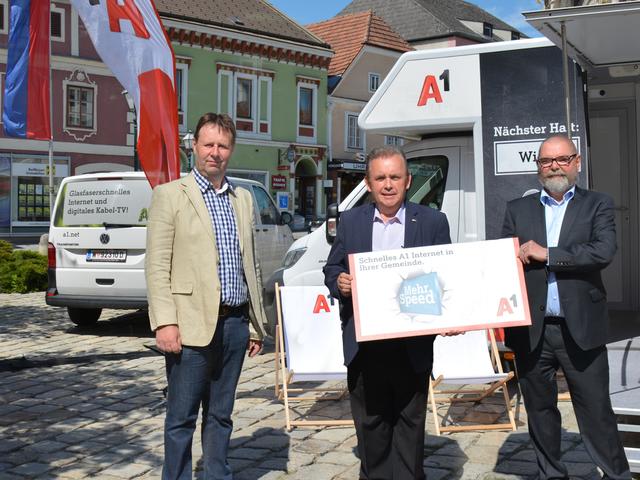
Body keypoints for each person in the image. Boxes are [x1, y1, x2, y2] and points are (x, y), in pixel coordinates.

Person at [146, 112, 266, 480]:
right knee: (181, 417)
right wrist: (165, 323)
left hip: (233, 323)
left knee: (221, 413)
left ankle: (217, 474)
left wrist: (256, 325)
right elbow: (156, 266)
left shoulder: (242, 198)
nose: (215, 152)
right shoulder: (170, 196)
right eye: (208, 144)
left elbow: (251, 263)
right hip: (189, 323)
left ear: (231, 150)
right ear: (194, 147)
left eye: (223, 146)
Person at [502, 134, 630, 479]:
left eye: (561, 159)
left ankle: (616, 475)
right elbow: (502, 267)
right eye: (546, 161)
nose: (554, 166)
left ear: (577, 162)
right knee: (540, 414)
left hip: (582, 330)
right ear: (538, 167)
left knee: (597, 413)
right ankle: (551, 474)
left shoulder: (597, 204)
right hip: (532, 332)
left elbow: (603, 252)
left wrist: (548, 255)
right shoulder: (517, 209)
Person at [323, 146, 451, 479]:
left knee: (410, 429)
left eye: (395, 177)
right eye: (380, 177)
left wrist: (454, 317)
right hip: (366, 346)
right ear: (368, 183)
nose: (388, 184)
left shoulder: (434, 221)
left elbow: (447, 277)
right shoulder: (350, 222)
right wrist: (339, 281)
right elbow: (332, 266)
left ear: (408, 181)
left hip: (412, 345)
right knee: (371, 428)